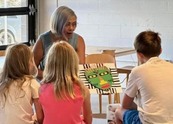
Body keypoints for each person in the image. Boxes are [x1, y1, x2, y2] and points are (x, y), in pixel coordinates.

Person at [114, 30, 173, 124]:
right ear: (161, 50)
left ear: (139, 54)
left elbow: (125, 104)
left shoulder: (138, 71)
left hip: (149, 122)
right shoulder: (171, 67)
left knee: (118, 111)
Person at [39, 41, 92, 124]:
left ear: (49, 63)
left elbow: (41, 118)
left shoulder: (42, 89)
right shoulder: (83, 89)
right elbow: (88, 119)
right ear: (74, 63)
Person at [33, 6, 85, 80]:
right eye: (67, 24)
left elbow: (80, 68)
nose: (71, 28)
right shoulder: (43, 39)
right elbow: (32, 68)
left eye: (74, 24)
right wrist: (50, 76)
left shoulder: (79, 40)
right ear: (58, 24)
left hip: (70, 84)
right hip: (47, 83)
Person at [0, 44, 43, 124]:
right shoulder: (32, 83)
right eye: (30, 60)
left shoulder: (2, 83)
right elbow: (40, 117)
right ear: (25, 64)